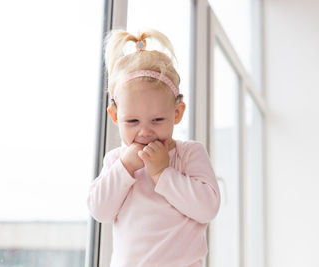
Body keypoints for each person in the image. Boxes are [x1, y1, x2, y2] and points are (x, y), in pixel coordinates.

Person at [87, 29, 221, 267]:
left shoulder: (189, 154)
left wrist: (163, 174)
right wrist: (125, 167)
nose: (145, 132)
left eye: (157, 120)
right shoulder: (116, 160)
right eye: (132, 122)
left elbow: (208, 208)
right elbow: (100, 210)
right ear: (115, 116)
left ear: (177, 113)